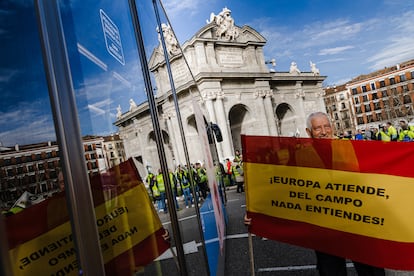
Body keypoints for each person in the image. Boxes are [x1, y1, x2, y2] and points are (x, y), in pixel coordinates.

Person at [245, 112, 385, 276]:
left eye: (326, 126)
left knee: (372, 271)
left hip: (358, 224)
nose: (324, 131)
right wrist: (257, 212)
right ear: (308, 132)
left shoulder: (352, 148)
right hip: (325, 229)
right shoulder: (298, 157)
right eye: (318, 128)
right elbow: (281, 189)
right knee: (331, 271)